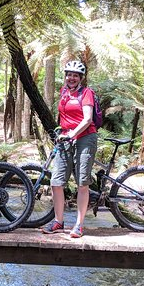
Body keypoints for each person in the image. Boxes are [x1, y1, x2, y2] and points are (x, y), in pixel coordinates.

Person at [41, 60, 98, 238]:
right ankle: (58, 221)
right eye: (69, 74)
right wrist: (63, 132)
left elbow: (87, 119)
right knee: (56, 182)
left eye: (75, 75)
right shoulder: (64, 92)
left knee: (82, 182)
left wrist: (72, 133)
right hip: (65, 138)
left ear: (80, 78)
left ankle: (79, 225)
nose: (71, 78)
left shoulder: (86, 93)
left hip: (85, 138)